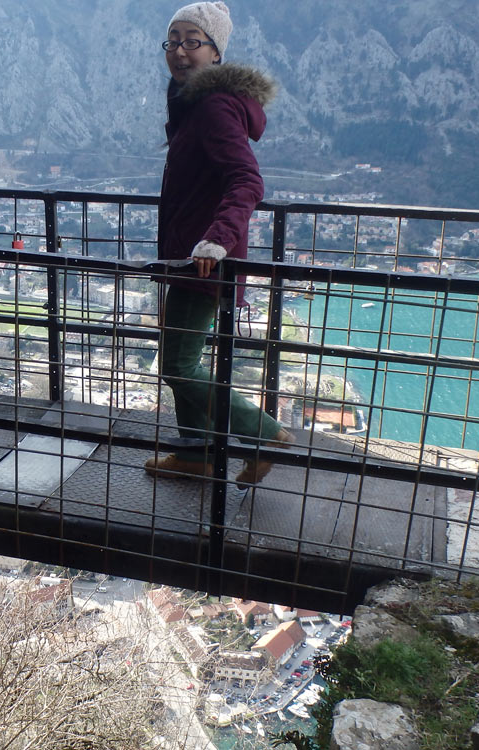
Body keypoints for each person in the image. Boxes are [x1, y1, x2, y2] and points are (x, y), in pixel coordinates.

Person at [144, 1, 293, 488]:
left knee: (179, 364)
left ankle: (266, 435)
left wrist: (217, 240)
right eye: (174, 40)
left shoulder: (211, 106)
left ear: (216, 52)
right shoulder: (192, 103)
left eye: (193, 41)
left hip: (205, 260)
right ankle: (198, 454)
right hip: (190, 259)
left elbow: (246, 181)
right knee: (181, 360)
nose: (180, 51)